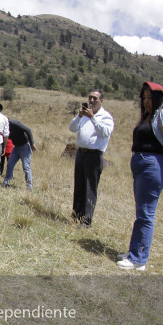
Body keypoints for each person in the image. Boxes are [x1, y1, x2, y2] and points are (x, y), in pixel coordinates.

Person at [118, 82, 163, 271]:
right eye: (144, 98)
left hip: (154, 167)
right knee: (141, 212)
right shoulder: (148, 117)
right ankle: (135, 251)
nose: (146, 101)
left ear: (159, 99)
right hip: (144, 166)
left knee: (146, 214)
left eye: (150, 98)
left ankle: (139, 259)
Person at [69, 89, 114, 227]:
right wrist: (79, 116)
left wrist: (93, 118)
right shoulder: (84, 116)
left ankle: (87, 219)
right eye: (90, 98)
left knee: (90, 187)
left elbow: (105, 132)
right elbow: (72, 128)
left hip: (94, 155)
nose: (92, 101)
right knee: (79, 184)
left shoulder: (105, 117)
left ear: (101, 101)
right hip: (81, 154)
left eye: (95, 98)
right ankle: (77, 214)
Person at [4, 119, 37, 190]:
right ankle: (6, 182)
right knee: (10, 164)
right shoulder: (3, 128)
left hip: (25, 147)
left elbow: (28, 130)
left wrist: (32, 143)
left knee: (26, 166)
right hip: (16, 148)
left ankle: (29, 186)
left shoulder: (14, 123)